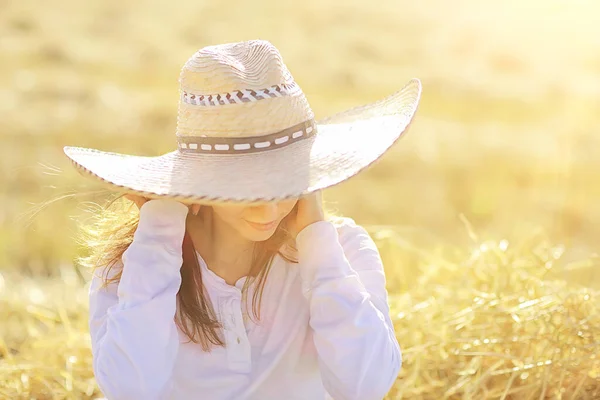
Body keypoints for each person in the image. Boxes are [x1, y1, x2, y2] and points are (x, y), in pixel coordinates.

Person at [65, 40, 421, 400]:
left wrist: (316, 237)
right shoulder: (134, 266)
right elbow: (131, 391)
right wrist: (160, 226)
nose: (267, 210)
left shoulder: (343, 250)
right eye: (246, 191)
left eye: (285, 184)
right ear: (200, 184)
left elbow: (366, 387)